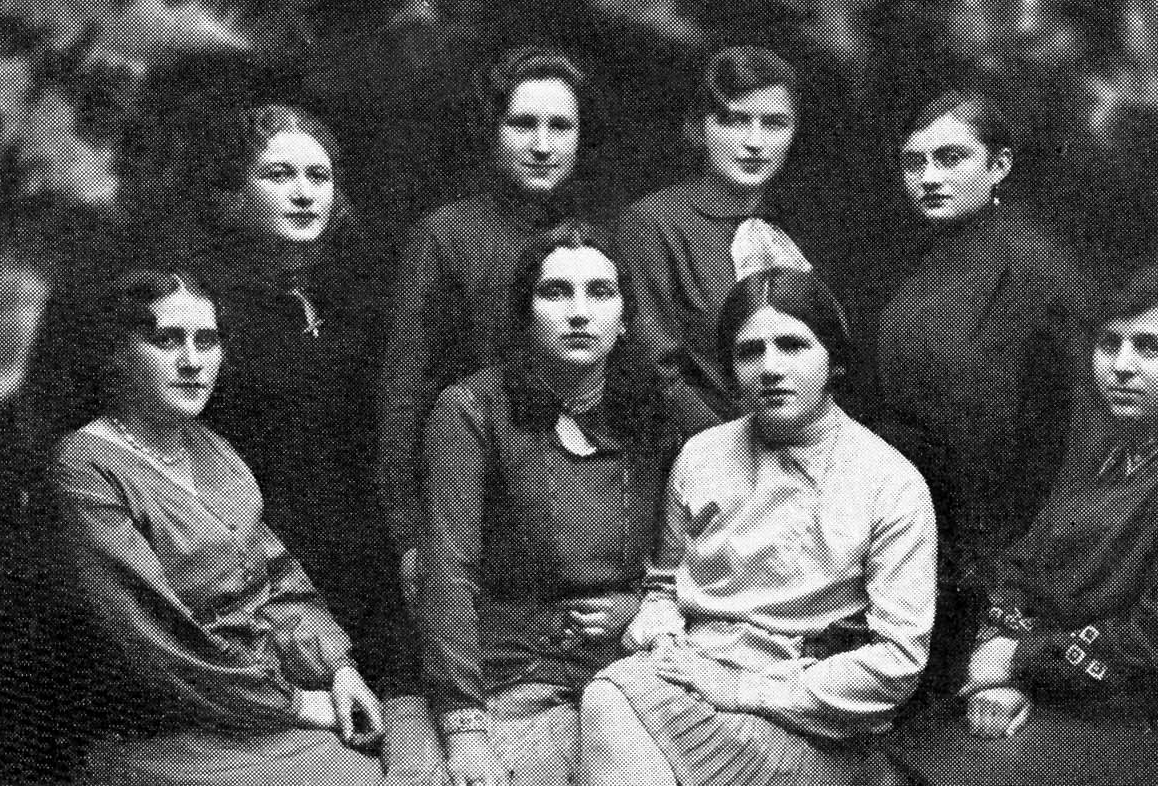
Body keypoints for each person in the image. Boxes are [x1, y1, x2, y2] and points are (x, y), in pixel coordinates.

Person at [891, 262, 1158, 786]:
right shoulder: (1107, 450)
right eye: (1110, 344)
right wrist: (995, 664)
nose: (1120, 366)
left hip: (1143, 719)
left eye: (1150, 348)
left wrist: (1019, 663)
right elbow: (1024, 564)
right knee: (893, 751)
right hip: (1038, 685)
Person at [578, 266, 936, 786]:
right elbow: (665, 584)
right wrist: (657, 630)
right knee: (608, 696)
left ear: (832, 359)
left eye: (792, 345)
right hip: (689, 679)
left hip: (801, 711)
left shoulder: (890, 484)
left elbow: (899, 659)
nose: (770, 367)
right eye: (750, 352)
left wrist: (755, 691)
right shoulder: (701, 456)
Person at [42, 269, 387, 785]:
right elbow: (149, 637)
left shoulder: (218, 455)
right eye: (167, 341)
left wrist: (337, 668)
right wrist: (291, 704)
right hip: (160, 724)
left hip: (254, 704)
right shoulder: (85, 466)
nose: (192, 362)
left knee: (402, 755)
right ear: (117, 354)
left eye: (207, 341)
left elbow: (276, 584)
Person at [164, 104, 424, 750]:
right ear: (235, 196)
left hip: (364, 558)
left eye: (319, 175)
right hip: (259, 562)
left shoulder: (351, 298)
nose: (305, 191)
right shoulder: (203, 310)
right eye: (279, 175)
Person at [412, 222, 681, 786]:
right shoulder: (474, 411)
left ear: (626, 314)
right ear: (526, 311)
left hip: (647, 669)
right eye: (556, 292)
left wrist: (651, 602)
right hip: (518, 674)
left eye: (600, 292)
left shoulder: (662, 409)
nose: (579, 313)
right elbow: (448, 570)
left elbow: (720, 533)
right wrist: (463, 722)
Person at [872, 87, 1098, 690]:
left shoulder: (1041, 275)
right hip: (910, 548)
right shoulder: (906, 280)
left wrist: (1007, 572)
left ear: (998, 166)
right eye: (915, 163)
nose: (928, 179)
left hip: (1006, 555)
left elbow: (1070, 437)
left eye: (950, 159)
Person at [380, 44, 594, 584]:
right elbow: (407, 384)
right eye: (525, 125)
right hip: (463, 491)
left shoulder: (591, 243)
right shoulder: (445, 236)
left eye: (560, 127)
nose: (543, 147)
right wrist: (411, 534)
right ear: (493, 129)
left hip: (565, 501)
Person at [617, 45, 816, 436]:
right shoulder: (653, 224)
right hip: (704, 455)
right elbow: (656, 369)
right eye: (735, 121)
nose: (755, 142)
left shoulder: (806, 223)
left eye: (774, 123)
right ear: (697, 129)